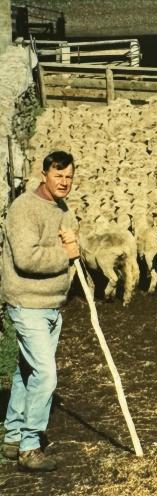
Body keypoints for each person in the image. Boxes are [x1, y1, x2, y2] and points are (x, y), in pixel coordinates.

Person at [1, 150, 79, 472]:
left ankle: (13, 436)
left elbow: (71, 252)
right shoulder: (24, 209)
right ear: (43, 174)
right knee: (46, 375)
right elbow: (26, 258)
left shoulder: (63, 210)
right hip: (27, 302)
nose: (64, 182)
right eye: (58, 175)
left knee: (27, 371)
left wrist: (74, 247)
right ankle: (30, 447)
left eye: (69, 177)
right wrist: (64, 253)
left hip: (51, 305)